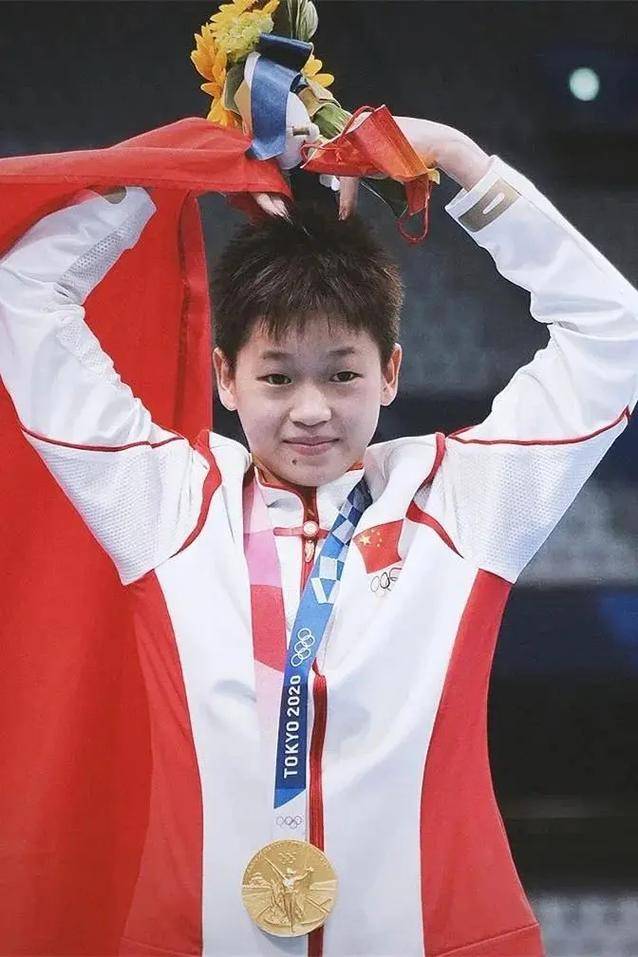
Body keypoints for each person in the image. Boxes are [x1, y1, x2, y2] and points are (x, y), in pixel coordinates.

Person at [0, 112, 636, 957]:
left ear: (391, 371)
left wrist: (458, 161)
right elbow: (24, 299)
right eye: (276, 376)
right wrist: (173, 168)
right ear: (226, 377)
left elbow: (614, 334)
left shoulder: (463, 502)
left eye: (342, 374)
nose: (310, 410)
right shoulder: (166, 504)